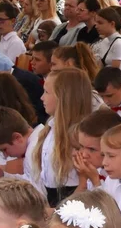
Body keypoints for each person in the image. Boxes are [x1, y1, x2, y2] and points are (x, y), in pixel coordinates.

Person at [32, 68, 93, 206]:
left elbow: (85, 185)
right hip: (52, 201)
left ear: (63, 97)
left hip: (73, 204)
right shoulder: (50, 128)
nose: (42, 97)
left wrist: (57, 212)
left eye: (46, 92)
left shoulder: (80, 136)